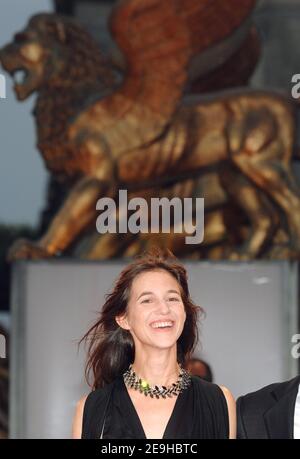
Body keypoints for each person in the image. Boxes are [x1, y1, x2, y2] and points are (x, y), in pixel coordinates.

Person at [72, 248, 236, 439]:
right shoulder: (92, 409)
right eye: (147, 300)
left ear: (184, 313)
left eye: (172, 298)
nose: (164, 309)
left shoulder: (219, 401)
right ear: (124, 318)